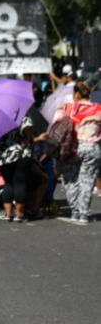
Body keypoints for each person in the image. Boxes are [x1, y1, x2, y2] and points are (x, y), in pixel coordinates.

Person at [55, 80, 101, 223]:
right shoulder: (98, 108)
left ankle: (75, 211)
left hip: (71, 148)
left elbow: (55, 126)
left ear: (75, 94)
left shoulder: (66, 108)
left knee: (71, 179)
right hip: (92, 147)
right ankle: (83, 214)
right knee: (87, 181)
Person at [0, 117, 33, 222]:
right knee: (20, 183)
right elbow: (29, 134)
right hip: (20, 153)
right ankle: (19, 213)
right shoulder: (24, 117)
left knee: (8, 183)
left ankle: (8, 213)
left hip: (2, 155)